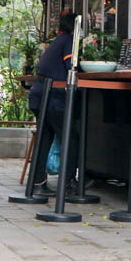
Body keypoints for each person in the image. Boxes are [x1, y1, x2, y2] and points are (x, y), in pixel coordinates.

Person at [28, 10, 78, 194]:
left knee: (45, 137)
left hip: (38, 94)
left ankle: (38, 183)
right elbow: (71, 67)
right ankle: (68, 183)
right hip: (53, 98)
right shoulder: (69, 41)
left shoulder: (56, 42)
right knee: (70, 137)